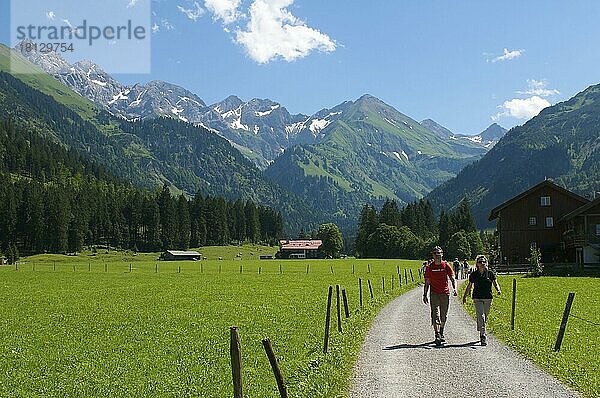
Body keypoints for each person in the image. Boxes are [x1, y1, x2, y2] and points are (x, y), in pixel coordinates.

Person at [462, 254, 501, 346]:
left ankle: (481, 327)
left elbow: (495, 283)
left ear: (486, 263)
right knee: (481, 315)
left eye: (484, 262)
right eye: (480, 262)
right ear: (477, 264)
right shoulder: (474, 274)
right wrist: (464, 296)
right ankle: (483, 336)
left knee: (485, 316)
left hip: (488, 297)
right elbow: (469, 286)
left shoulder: (490, 273)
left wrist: (498, 290)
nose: (482, 263)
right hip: (477, 298)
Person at [423, 246, 457, 346]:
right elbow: (427, 282)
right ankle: (437, 334)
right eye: (435, 253)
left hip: (445, 293)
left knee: (444, 315)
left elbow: (452, 277)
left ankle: (441, 331)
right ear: (432, 255)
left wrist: (455, 288)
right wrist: (425, 294)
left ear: (442, 254)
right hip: (434, 293)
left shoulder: (446, 265)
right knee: (435, 314)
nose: (437, 255)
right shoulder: (429, 267)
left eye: (439, 253)